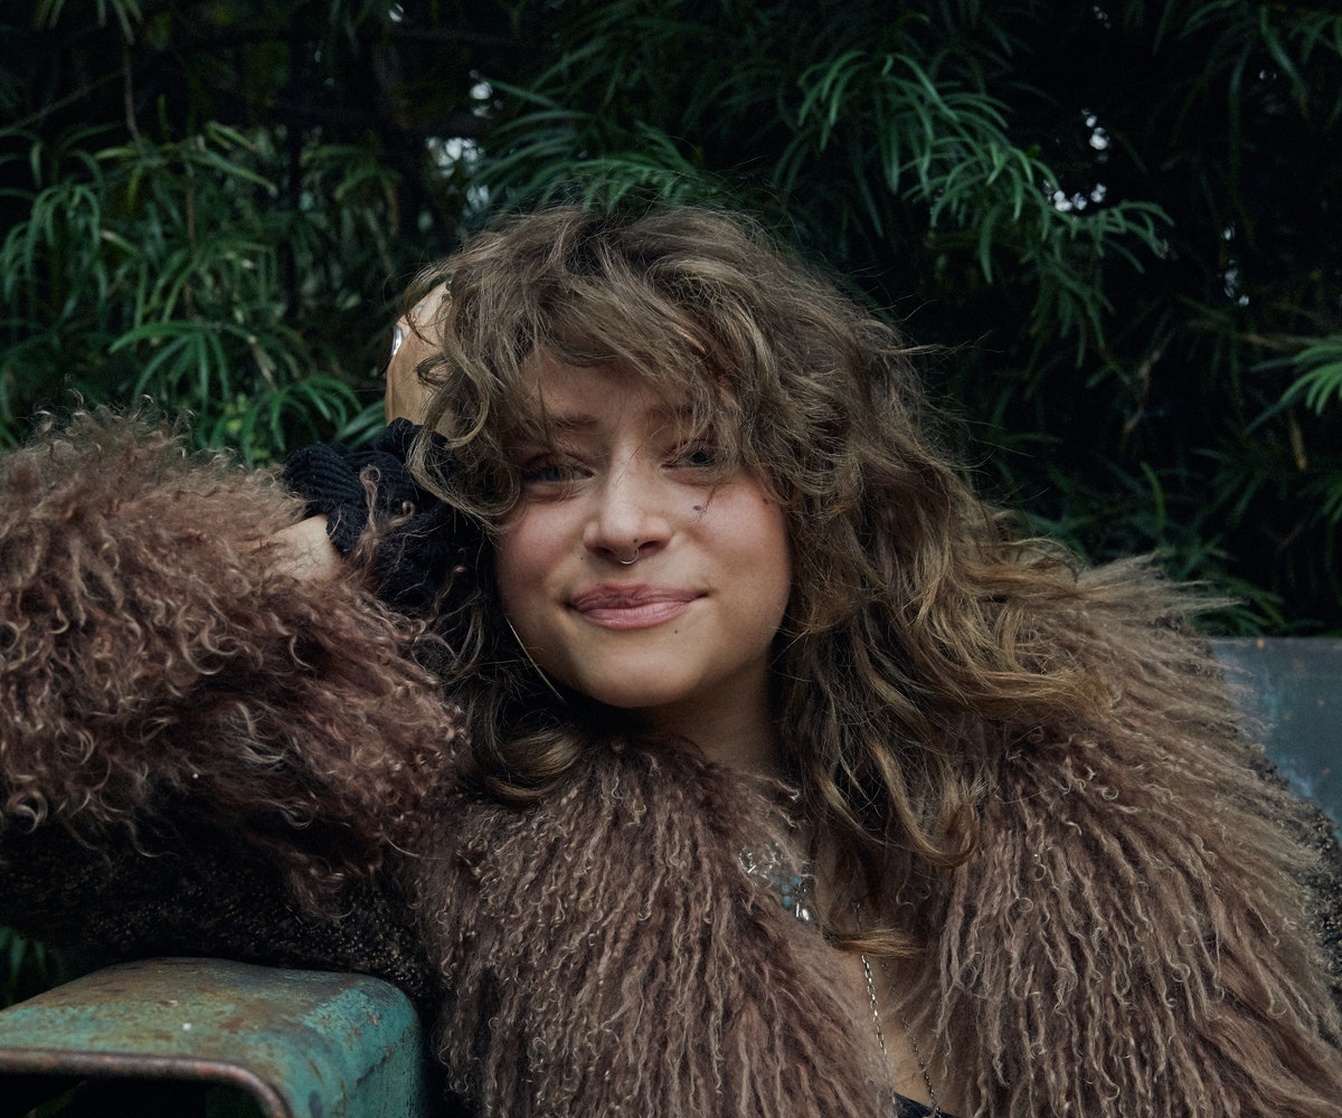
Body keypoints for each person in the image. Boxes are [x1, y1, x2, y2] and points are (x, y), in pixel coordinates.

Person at [2, 204, 1341, 1117]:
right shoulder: (444, 851)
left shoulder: (1096, 757)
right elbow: (44, 767)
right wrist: (373, 514)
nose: (626, 521)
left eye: (699, 452)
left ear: (815, 486)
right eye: (548, 468)